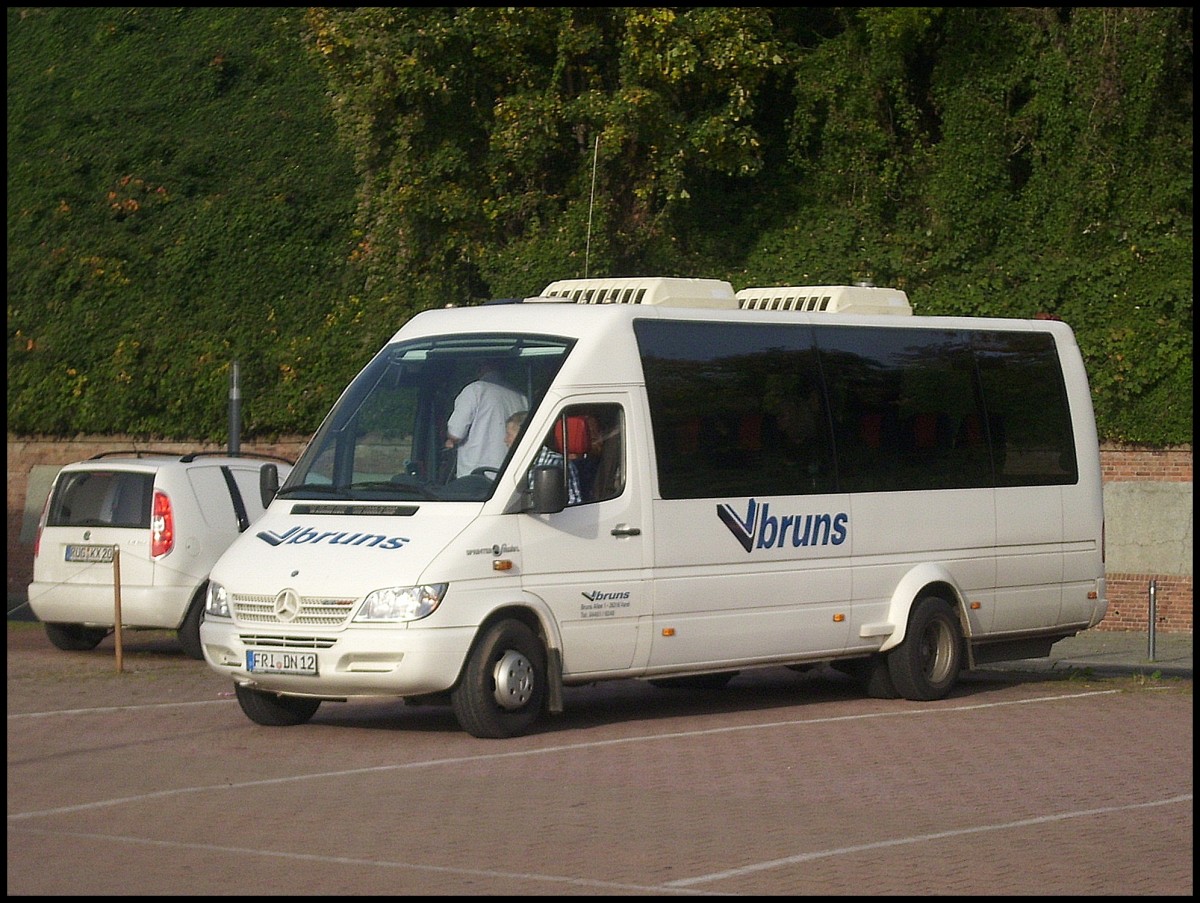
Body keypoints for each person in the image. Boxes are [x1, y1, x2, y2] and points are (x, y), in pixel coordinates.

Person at [445, 361, 528, 478]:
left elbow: (455, 433)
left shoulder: (474, 390)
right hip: (509, 476)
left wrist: (449, 440)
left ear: (482, 366)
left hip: (474, 478)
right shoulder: (520, 396)